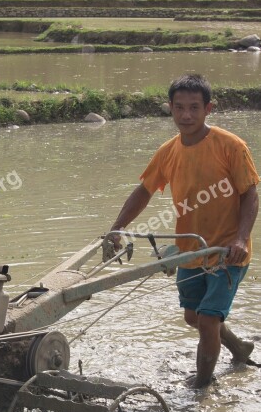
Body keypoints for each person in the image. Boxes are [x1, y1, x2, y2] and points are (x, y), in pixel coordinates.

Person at [107, 74, 259, 388]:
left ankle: (202, 385)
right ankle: (238, 347)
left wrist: (241, 238)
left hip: (225, 252)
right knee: (195, 317)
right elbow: (144, 191)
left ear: (208, 109)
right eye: (179, 108)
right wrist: (116, 228)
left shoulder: (231, 146)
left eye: (193, 107)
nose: (186, 115)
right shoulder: (168, 152)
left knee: (206, 320)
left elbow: (250, 194)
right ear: (171, 109)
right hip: (191, 249)